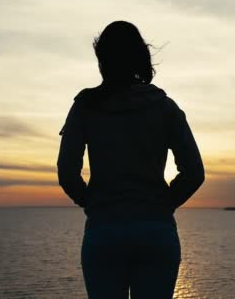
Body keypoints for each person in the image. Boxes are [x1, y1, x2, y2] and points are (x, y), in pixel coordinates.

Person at [57, 21, 205, 298]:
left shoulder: (86, 106)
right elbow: (194, 173)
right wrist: (163, 204)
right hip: (156, 232)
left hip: (104, 231)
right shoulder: (164, 107)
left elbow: (67, 172)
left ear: (103, 59)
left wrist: (92, 203)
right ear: (140, 57)